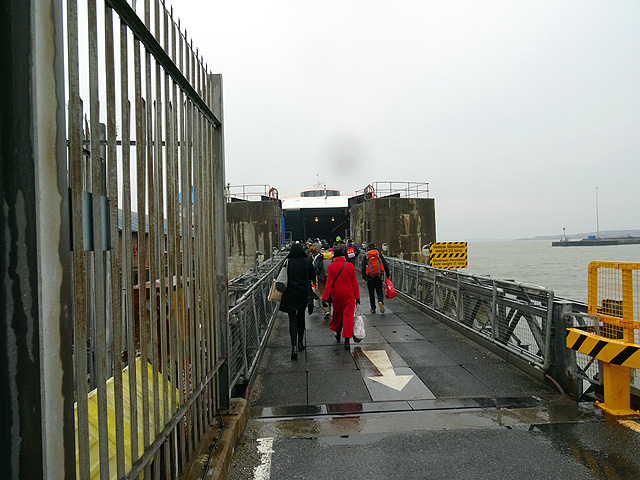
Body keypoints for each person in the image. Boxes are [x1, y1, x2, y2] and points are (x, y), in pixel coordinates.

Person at [279, 243, 316, 360]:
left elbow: (279, 276)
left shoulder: (287, 261)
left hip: (290, 294)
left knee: (292, 320)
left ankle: (293, 346)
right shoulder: (306, 261)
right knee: (301, 318)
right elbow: (312, 274)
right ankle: (300, 343)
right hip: (303, 293)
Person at [322, 247, 360, 350]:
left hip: (337, 295)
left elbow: (328, 284)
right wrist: (357, 297)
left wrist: (325, 298)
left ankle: (338, 333)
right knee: (348, 316)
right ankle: (347, 340)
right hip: (349, 294)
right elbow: (355, 283)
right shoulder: (350, 266)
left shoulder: (331, 267)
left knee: (338, 315)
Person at [361, 242, 390, 314]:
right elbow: (385, 264)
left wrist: (364, 277)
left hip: (370, 277)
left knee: (371, 293)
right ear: (375, 246)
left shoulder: (366, 255)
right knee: (379, 291)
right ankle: (380, 302)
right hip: (378, 276)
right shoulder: (378, 254)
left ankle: (373, 308)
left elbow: (363, 267)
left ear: (368, 247)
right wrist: (388, 274)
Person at [314, 243, 334, 319]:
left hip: (321, 278)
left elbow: (316, 267)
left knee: (322, 293)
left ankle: (326, 309)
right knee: (331, 292)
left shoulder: (319, 257)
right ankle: (332, 309)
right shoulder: (332, 256)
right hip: (331, 277)